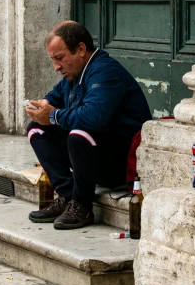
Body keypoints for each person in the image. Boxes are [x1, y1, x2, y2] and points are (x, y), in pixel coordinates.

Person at [26, 20, 152, 230]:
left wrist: (54, 115)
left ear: (81, 49)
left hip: (120, 164)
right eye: (53, 60)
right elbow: (53, 97)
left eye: (59, 58)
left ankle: (82, 205)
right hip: (94, 159)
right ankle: (67, 196)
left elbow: (94, 117)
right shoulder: (73, 74)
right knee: (37, 129)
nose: (56, 67)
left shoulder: (105, 72)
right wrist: (44, 106)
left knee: (79, 133)